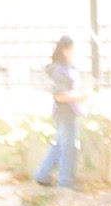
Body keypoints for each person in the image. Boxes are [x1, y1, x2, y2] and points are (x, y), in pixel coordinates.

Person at [34, 35, 86, 190]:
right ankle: (66, 182)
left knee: (59, 145)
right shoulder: (61, 71)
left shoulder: (65, 68)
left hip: (65, 113)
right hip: (66, 113)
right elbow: (60, 95)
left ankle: (42, 175)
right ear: (66, 50)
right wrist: (80, 96)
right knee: (69, 147)